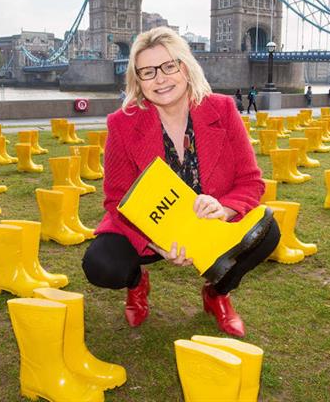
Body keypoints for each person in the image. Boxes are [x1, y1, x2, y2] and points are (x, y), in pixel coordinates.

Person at [81, 27, 280, 338]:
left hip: (209, 225)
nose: (160, 79)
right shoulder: (121, 124)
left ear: (186, 67)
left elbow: (250, 181)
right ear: (138, 80)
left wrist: (225, 209)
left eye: (169, 66)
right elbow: (116, 199)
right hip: (151, 229)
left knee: (267, 234)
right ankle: (136, 283)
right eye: (148, 72)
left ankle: (217, 293)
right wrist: (155, 242)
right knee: (101, 263)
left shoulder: (223, 109)